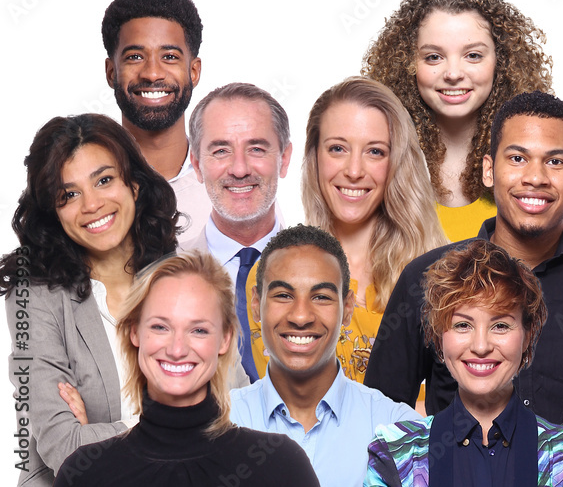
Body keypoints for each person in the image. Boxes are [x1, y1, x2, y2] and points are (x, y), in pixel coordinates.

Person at [365, 91, 563, 425]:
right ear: (488, 170)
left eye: (555, 161)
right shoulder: (426, 277)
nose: (535, 178)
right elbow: (378, 417)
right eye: (517, 158)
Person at [0, 114, 178, 487]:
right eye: (69, 194)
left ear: (134, 184)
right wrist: (179, 430)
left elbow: (235, 415)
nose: (92, 204)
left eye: (104, 180)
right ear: (53, 210)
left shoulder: (185, 279)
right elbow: (65, 447)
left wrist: (99, 432)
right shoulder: (34, 296)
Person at [53, 251, 319, 486]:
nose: (177, 349)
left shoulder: (280, 466)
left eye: (198, 330)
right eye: (160, 327)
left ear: (225, 339)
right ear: (135, 332)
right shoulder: (84, 473)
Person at [366, 240, 563, 486]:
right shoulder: (395, 452)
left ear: (527, 336)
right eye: (462, 325)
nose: (480, 346)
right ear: (439, 336)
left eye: (500, 325)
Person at [230, 225, 419, 487]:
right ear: (255, 305)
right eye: (283, 295)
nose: (300, 316)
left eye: (321, 297)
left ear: (348, 308)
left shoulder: (397, 429)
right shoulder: (220, 423)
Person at [363, 0, 553, 242]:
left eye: (473, 55)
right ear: (407, 65)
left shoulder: (532, 168)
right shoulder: (379, 160)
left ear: (502, 62)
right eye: (433, 57)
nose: (453, 73)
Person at [294, 77, 446, 382]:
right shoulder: (278, 272)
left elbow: (461, 405)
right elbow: (286, 403)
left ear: (397, 163)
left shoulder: (444, 274)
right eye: (337, 148)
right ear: (314, 158)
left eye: (374, 152)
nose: (353, 171)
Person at [180, 82, 293, 383]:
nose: (239, 169)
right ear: (196, 164)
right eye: (220, 151)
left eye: (256, 148)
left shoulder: (331, 268)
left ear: (284, 159)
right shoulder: (162, 275)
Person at [101, 0, 211, 237]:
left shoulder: (231, 181)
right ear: (111, 72)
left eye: (170, 56)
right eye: (135, 57)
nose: (152, 74)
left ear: (193, 72)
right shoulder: (83, 188)